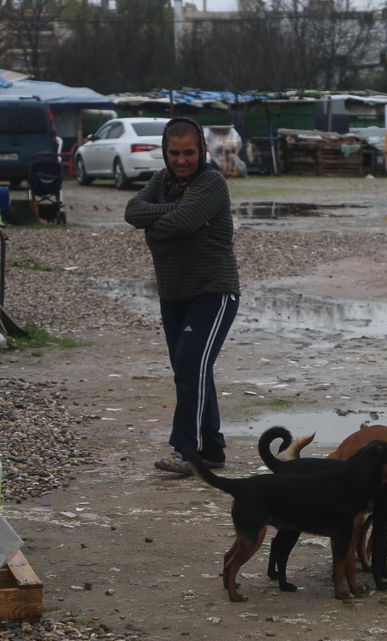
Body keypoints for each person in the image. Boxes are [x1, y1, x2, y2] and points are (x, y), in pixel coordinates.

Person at [124, 118, 239, 473]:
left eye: (188, 152)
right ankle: (213, 449)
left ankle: (187, 450)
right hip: (173, 293)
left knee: (191, 366)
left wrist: (158, 224)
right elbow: (132, 212)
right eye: (174, 153)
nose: (181, 160)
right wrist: (171, 215)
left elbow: (181, 224)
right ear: (165, 152)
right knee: (191, 370)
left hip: (213, 291)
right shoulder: (162, 181)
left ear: (201, 150)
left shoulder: (212, 182)